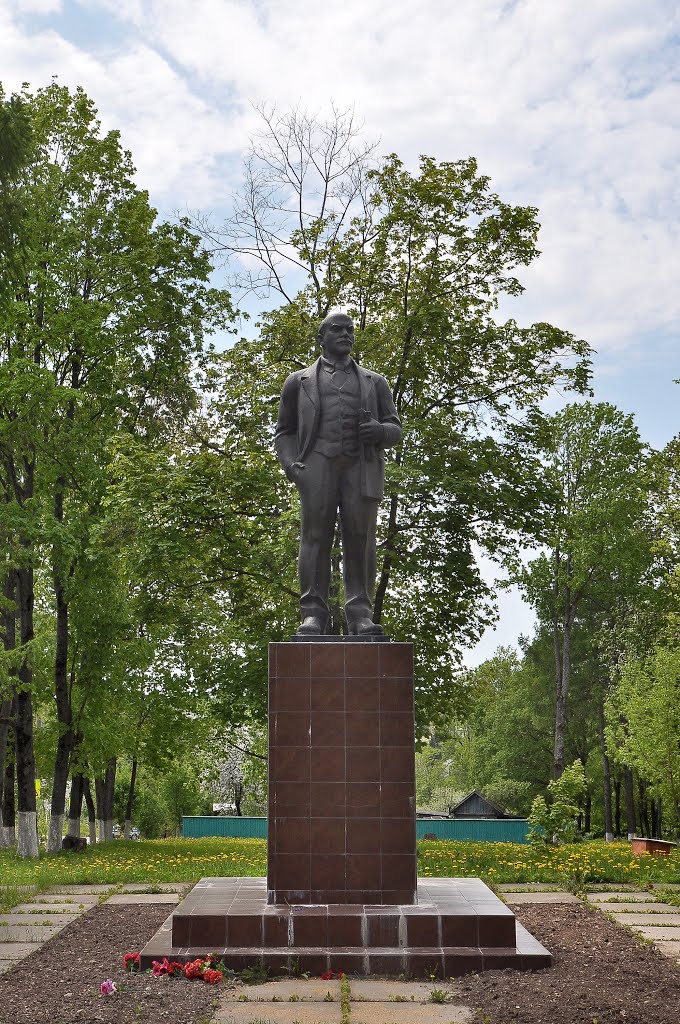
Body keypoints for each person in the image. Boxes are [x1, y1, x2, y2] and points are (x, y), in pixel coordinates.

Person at [275, 311, 402, 635]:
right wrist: (292, 467)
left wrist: (379, 431)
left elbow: (395, 428)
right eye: (337, 329)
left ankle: (360, 614)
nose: (345, 334)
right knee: (314, 538)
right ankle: (313, 614)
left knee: (360, 540)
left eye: (350, 330)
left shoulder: (375, 382)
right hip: (317, 464)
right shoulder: (298, 381)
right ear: (321, 338)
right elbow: (284, 432)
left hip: (361, 466)